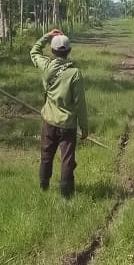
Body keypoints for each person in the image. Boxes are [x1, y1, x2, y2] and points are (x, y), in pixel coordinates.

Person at [30, 29, 88, 199]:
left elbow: (34, 51)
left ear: (52, 51)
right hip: (68, 124)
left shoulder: (46, 66)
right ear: (69, 51)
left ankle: (44, 185)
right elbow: (80, 104)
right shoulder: (75, 73)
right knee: (67, 159)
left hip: (49, 121)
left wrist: (47, 36)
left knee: (46, 155)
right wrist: (84, 127)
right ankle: (66, 193)